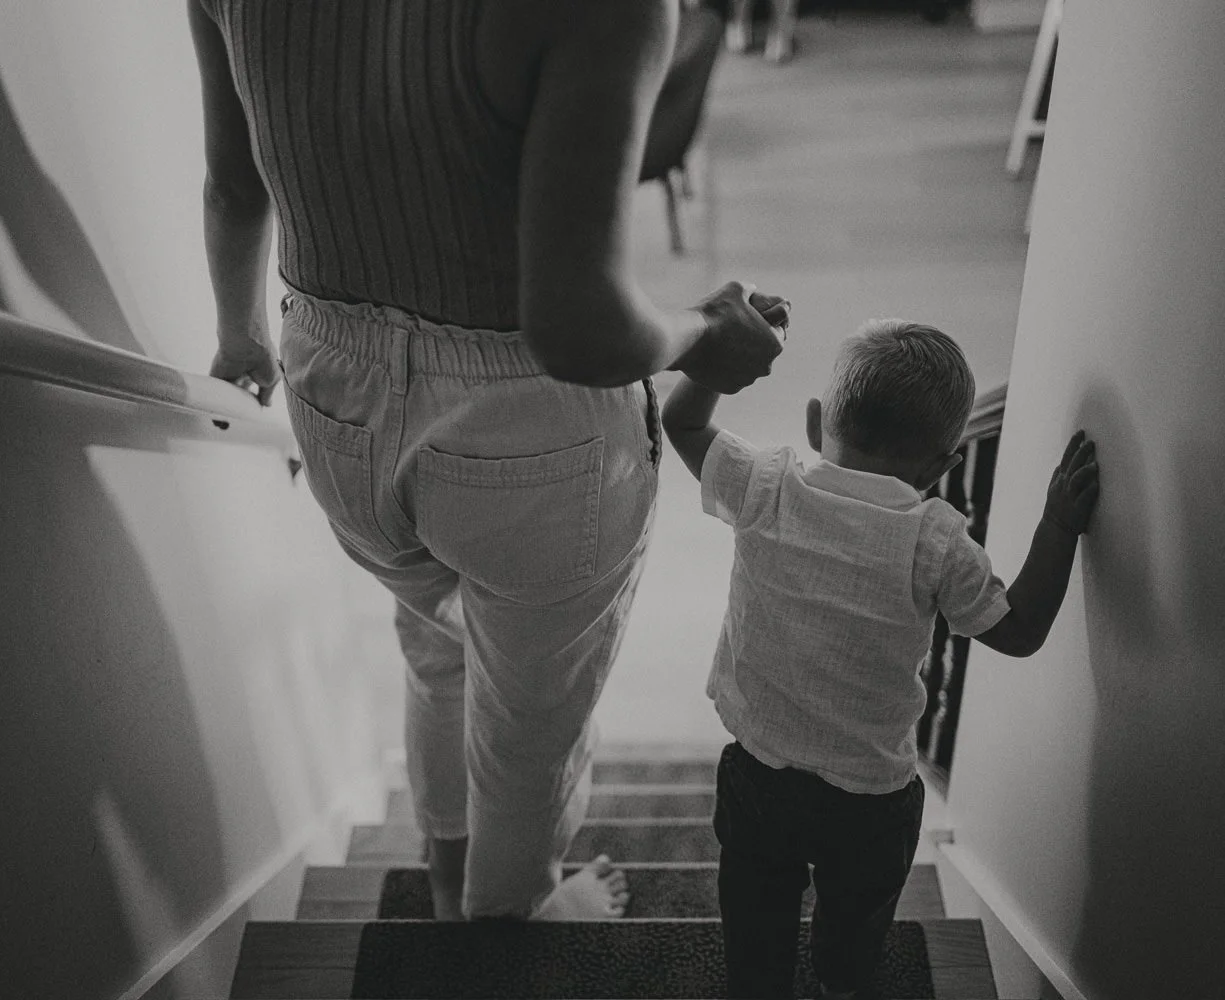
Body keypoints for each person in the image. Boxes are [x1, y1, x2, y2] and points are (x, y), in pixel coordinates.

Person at [188, 0, 788, 921]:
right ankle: (509, 916)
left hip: (327, 378)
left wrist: (240, 337)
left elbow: (235, 187)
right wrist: (707, 332)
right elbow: (578, 328)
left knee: (434, 645)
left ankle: (444, 869)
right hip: (527, 426)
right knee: (530, 721)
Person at [661, 319, 1100, 998]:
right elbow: (1019, 631)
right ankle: (842, 979)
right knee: (857, 915)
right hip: (868, 796)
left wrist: (716, 364)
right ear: (942, 468)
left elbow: (681, 425)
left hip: (760, 771)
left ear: (815, 424)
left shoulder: (766, 485)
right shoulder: (938, 541)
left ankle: (759, 984)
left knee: (755, 905)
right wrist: (1058, 526)